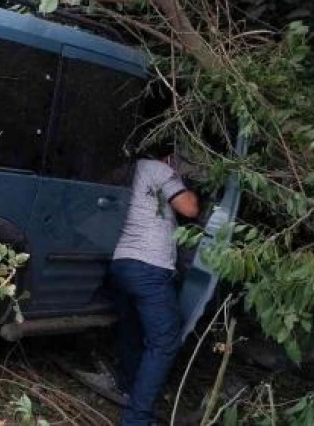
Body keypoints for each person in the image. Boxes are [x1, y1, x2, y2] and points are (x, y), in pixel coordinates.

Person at [110, 142, 200, 426]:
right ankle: (137, 419)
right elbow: (190, 209)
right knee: (164, 342)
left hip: (121, 262)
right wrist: (183, 183)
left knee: (131, 328)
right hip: (150, 266)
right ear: (169, 157)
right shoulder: (161, 169)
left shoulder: (126, 171)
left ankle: (127, 385)